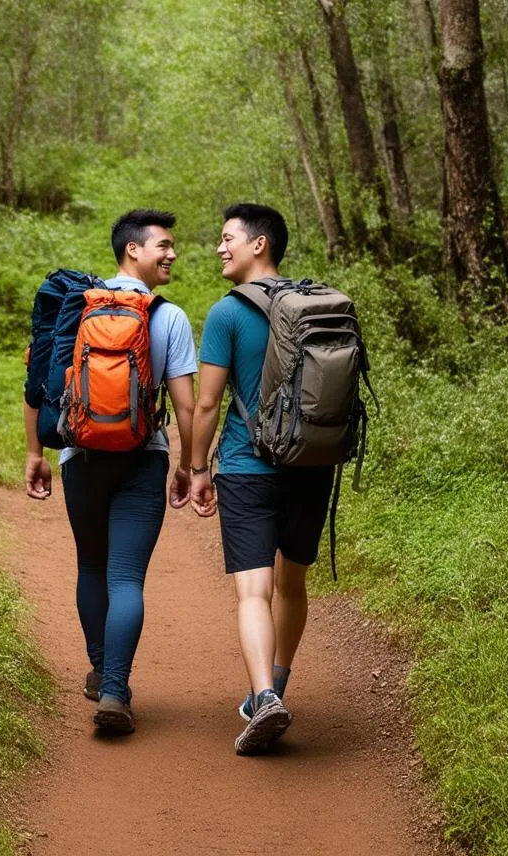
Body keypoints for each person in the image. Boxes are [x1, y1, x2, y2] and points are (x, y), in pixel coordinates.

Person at [24, 210, 197, 734]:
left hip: (81, 457)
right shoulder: (168, 315)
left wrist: (35, 453)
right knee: (127, 576)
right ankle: (116, 692)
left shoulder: (76, 307)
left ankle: (101, 670)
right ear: (132, 250)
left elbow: (38, 384)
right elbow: (187, 405)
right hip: (144, 457)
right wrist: (192, 464)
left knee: (91, 566)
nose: (171, 254)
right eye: (163, 245)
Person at [190, 203, 336, 755]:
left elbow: (207, 405)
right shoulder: (318, 304)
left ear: (260, 244)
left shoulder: (227, 314)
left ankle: (265, 695)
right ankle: (274, 684)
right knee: (292, 584)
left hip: (248, 467)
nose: (219, 248)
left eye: (228, 238)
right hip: (312, 466)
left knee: (254, 589)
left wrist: (198, 469)